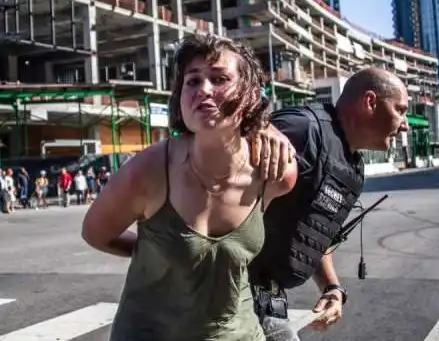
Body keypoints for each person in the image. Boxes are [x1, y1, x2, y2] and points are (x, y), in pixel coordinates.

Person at [81, 35, 299, 341]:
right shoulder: (148, 172)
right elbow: (95, 232)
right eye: (192, 81)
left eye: (220, 78)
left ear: (250, 94)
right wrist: (153, 255)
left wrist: (266, 124)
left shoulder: (274, 173)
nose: (203, 91)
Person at [248, 66, 410, 340]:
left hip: (269, 297)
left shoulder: (352, 169)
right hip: (234, 291)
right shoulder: (303, 129)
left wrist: (331, 287)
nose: (404, 124)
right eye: (400, 110)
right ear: (370, 102)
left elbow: (315, 234)